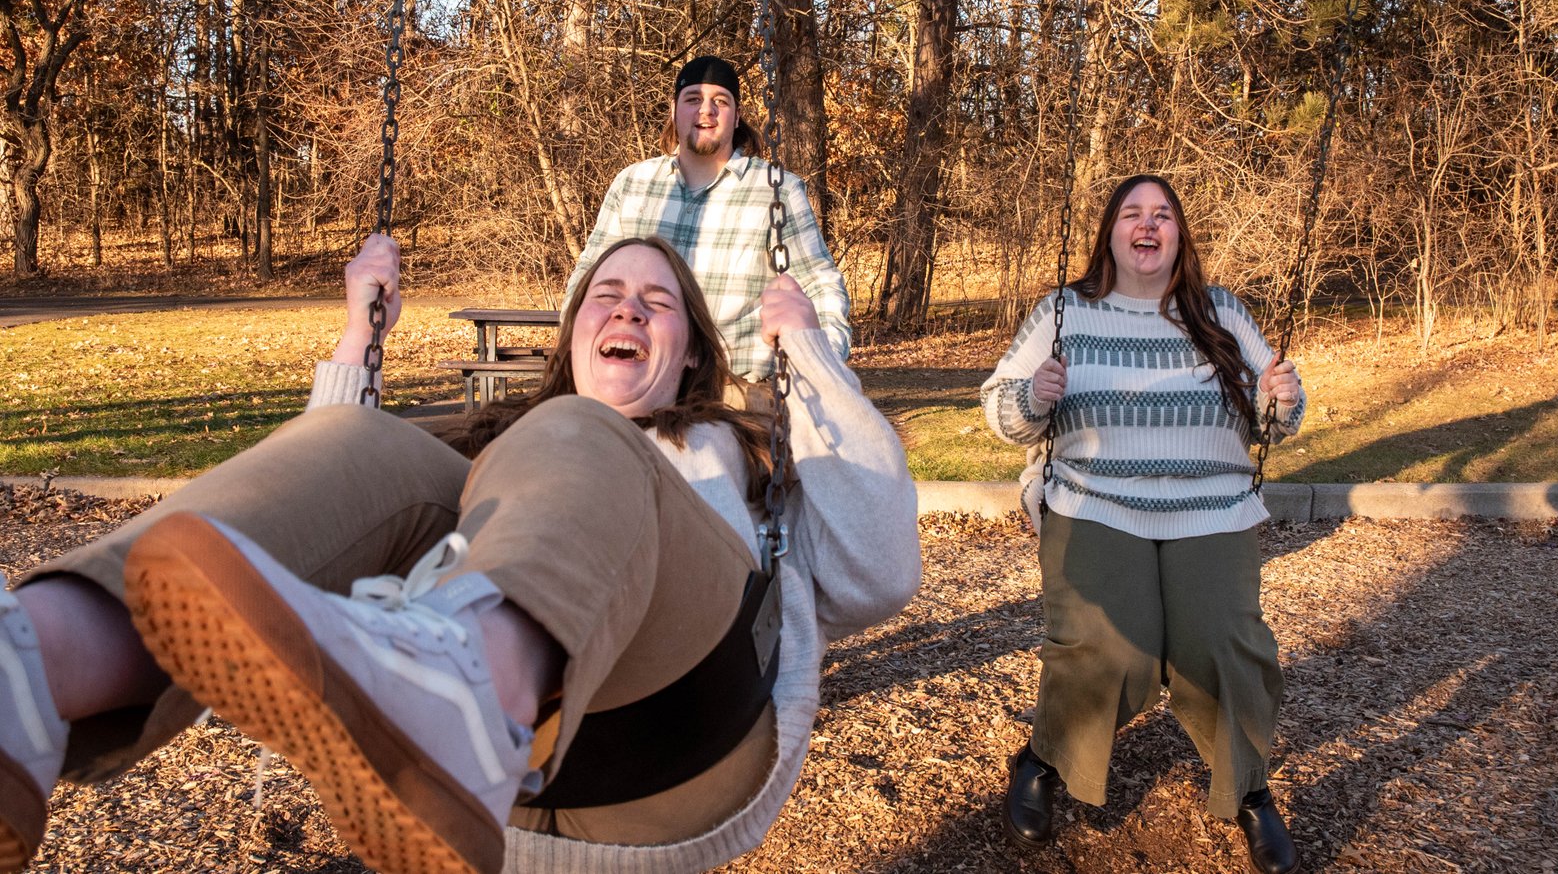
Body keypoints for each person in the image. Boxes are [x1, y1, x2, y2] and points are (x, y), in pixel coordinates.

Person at [0, 234, 920, 874]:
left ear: (687, 356)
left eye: (656, 302)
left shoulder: (741, 445)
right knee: (366, 445)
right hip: (513, 768)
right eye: (606, 295)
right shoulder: (505, 438)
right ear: (571, 338)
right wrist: (359, 333)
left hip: (681, 728)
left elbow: (881, 572)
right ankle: (39, 664)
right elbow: (313, 527)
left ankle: (478, 692)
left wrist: (803, 345)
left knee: (585, 435)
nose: (627, 309)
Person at [980, 174, 1307, 874]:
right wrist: (1034, 396)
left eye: (1163, 214)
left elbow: (1279, 409)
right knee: (1113, 649)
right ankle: (1042, 755)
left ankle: (1250, 788)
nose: (1148, 225)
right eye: (1133, 213)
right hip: (1094, 500)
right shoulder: (1065, 310)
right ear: (1111, 232)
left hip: (1213, 508)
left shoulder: (1220, 311)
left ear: (1180, 234)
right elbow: (1001, 409)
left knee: (1224, 643)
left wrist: (1284, 395)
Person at [564, 55, 850, 382]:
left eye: (720, 101)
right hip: (637, 380)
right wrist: (577, 347)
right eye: (693, 99)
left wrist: (824, 370)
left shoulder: (776, 192)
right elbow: (588, 277)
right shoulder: (633, 185)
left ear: (737, 116)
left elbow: (819, 287)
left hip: (734, 390)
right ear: (674, 111)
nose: (706, 110)